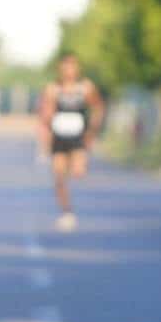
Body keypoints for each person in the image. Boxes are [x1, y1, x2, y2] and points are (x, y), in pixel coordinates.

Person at [39, 53, 105, 232]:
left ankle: (74, 165)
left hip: (78, 137)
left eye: (72, 66)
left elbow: (98, 107)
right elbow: (45, 114)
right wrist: (44, 139)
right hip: (59, 137)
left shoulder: (85, 88)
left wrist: (91, 132)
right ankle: (67, 212)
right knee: (59, 177)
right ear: (60, 69)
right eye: (66, 67)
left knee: (78, 171)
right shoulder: (53, 89)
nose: (69, 71)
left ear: (78, 69)